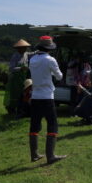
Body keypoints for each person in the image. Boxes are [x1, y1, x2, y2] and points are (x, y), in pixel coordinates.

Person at [28, 36, 67, 164]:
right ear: (49, 48)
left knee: (34, 125)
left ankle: (34, 154)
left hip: (35, 96)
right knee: (52, 124)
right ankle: (50, 156)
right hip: (47, 97)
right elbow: (59, 76)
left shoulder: (32, 59)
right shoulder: (50, 60)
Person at [4, 39, 31, 115]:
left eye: (26, 47)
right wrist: (21, 68)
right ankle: (11, 109)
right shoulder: (15, 56)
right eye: (23, 48)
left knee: (22, 93)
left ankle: (19, 109)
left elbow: (33, 53)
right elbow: (11, 68)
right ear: (18, 48)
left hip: (22, 78)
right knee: (15, 94)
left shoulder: (26, 54)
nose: (25, 49)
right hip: (15, 78)